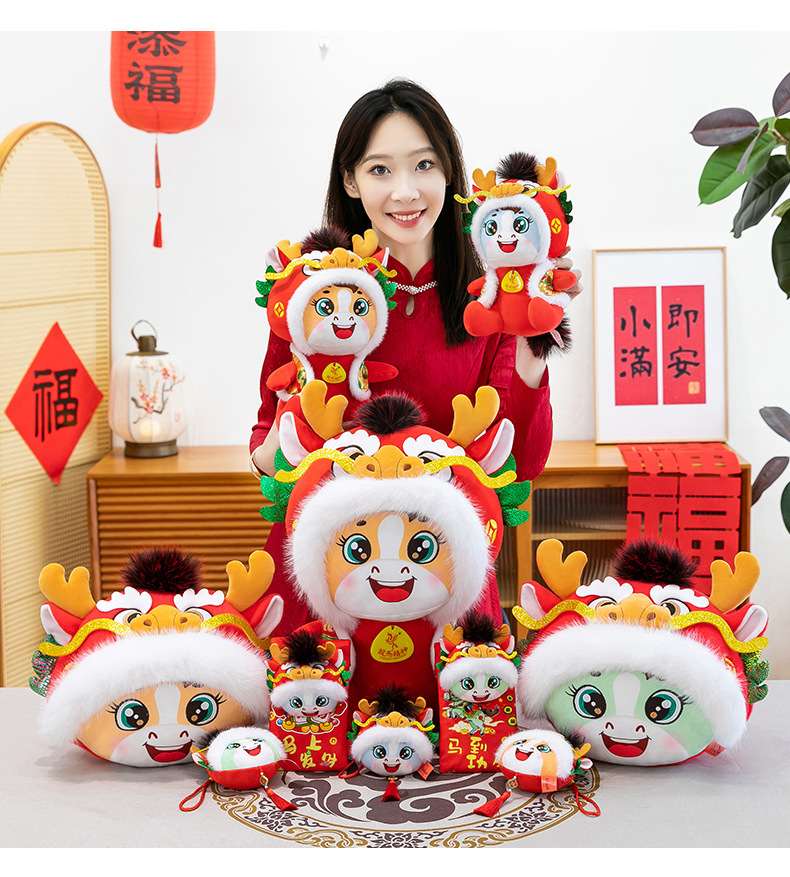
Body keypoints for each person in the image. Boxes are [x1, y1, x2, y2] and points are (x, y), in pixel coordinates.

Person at [250, 78, 581, 634]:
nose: (405, 192)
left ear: (449, 172)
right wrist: (274, 450)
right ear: (351, 181)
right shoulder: (314, 292)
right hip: (328, 574)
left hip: (442, 574)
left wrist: (535, 332)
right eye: (380, 170)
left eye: (423, 165)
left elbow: (521, 462)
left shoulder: (490, 299)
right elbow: (266, 435)